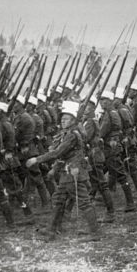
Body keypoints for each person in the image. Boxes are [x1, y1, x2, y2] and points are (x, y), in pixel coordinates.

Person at [26, 101, 101, 241]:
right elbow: (61, 155)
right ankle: (51, 230)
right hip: (68, 173)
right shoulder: (67, 133)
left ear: (73, 120)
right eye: (62, 119)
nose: (63, 121)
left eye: (66, 119)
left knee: (83, 202)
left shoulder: (72, 135)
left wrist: (37, 160)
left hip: (73, 173)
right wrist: (54, 169)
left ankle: (95, 233)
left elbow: (57, 153)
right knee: (59, 199)